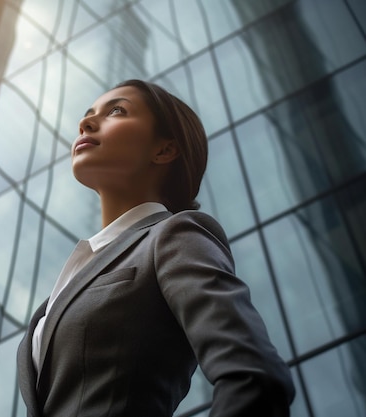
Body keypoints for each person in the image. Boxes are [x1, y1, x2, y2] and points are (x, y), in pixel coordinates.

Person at [16, 79, 295, 416]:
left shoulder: (174, 235)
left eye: (117, 110)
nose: (85, 123)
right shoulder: (62, 290)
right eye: (89, 114)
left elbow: (253, 375)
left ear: (164, 150)